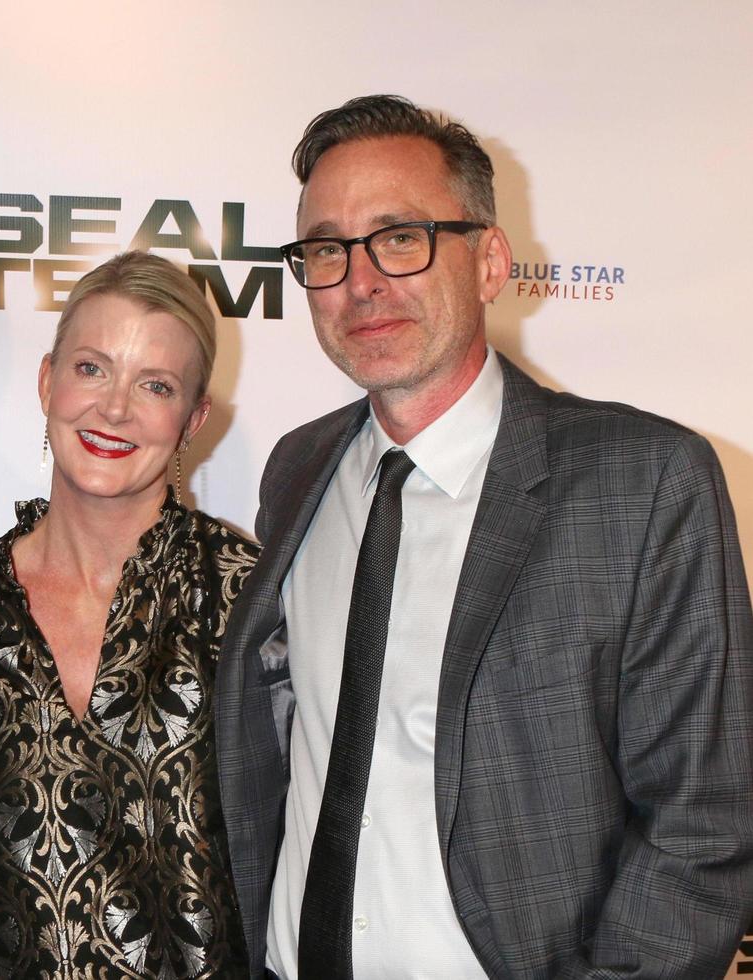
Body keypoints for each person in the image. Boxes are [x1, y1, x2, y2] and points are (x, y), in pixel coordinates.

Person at [214, 93, 753, 979]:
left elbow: (701, 825)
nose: (361, 281)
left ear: (491, 260)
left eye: (400, 237)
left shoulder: (644, 481)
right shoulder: (299, 468)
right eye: (325, 249)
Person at [0, 250, 259, 978]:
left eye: (154, 385)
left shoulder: (245, 594)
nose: (114, 408)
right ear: (48, 381)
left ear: (193, 418)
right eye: (91, 368)